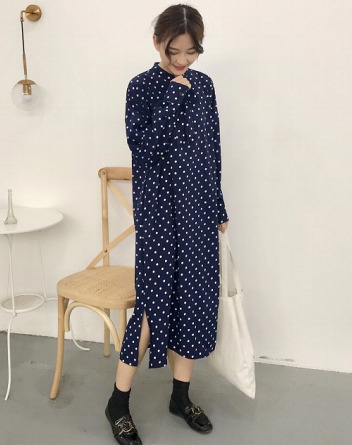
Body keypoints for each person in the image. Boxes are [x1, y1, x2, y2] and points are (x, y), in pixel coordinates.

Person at [105, 4, 229, 445]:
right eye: (173, 51)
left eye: (191, 52)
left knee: (194, 299)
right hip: (159, 214)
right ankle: (117, 403)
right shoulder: (141, 87)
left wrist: (218, 206)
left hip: (198, 212)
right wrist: (174, 95)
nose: (182, 60)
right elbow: (142, 148)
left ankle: (180, 396)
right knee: (153, 306)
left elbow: (212, 151)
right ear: (157, 42)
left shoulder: (205, 85)